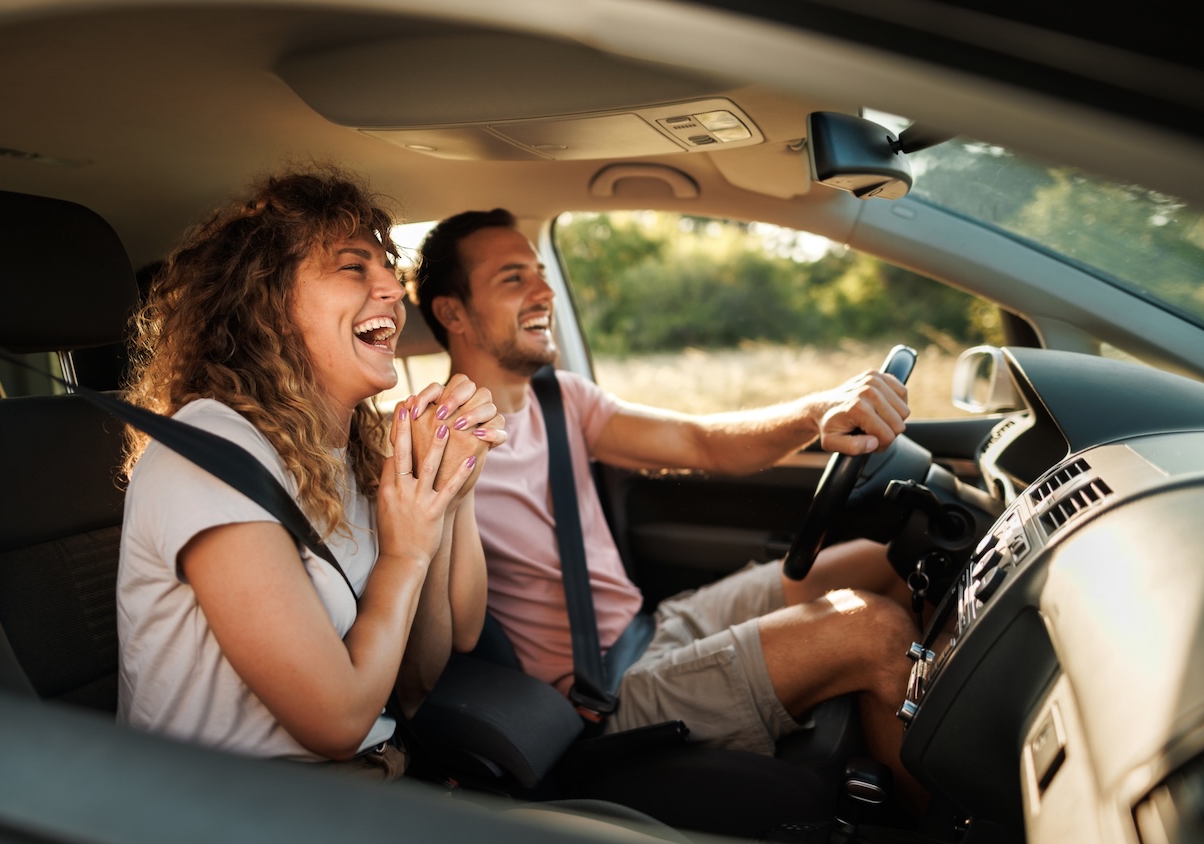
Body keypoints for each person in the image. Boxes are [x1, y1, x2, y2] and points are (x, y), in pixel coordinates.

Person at [412, 208, 926, 808]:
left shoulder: (562, 399)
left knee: (888, 558)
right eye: (512, 278)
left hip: (655, 626)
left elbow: (699, 441)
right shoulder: (432, 446)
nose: (544, 291)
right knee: (874, 629)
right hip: (603, 693)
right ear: (452, 313)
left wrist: (819, 411)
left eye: (540, 271)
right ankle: (929, 836)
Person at [115, 168, 505, 779]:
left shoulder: (345, 454)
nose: (394, 290)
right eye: (354, 267)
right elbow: (339, 722)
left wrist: (446, 485)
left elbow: (414, 684)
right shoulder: (209, 454)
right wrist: (402, 556)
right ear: (266, 304)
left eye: (387, 267)